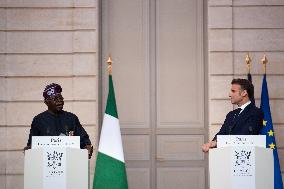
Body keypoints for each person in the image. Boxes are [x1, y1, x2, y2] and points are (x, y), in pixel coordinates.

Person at [24, 83, 93, 159]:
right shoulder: (38, 120)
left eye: (61, 98)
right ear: (46, 102)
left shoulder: (71, 118)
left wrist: (88, 148)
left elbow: (84, 140)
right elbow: (31, 145)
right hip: (46, 165)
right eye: (55, 99)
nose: (59, 101)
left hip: (70, 162)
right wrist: (28, 150)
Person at [202, 78, 263, 153]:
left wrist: (218, 143)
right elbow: (222, 133)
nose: (229, 95)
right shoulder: (231, 114)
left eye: (233, 91)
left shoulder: (256, 113)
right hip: (228, 156)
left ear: (244, 93)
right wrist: (211, 143)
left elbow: (245, 136)